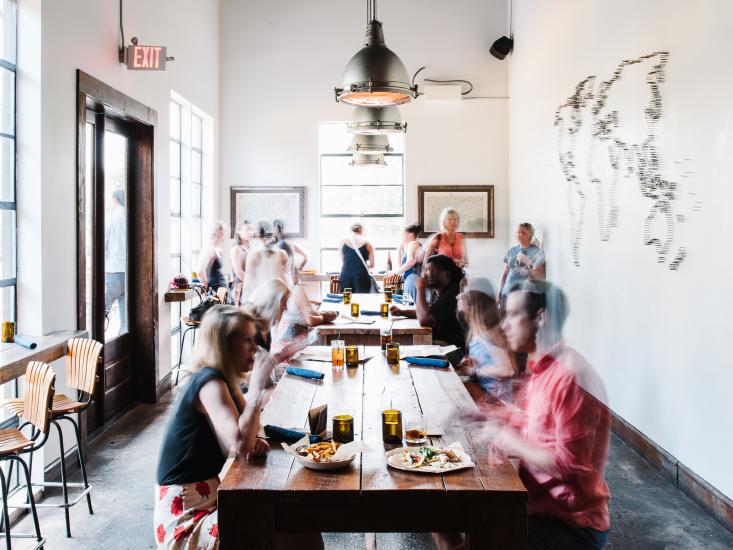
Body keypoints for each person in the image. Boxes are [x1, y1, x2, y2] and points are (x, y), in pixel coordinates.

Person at [154, 307, 323, 550]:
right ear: (224, 345)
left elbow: (252, 431)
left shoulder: (222, 380)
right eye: (247, 340)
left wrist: (256, 437)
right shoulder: (209, 382)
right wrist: (256, 390)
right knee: (290, 524)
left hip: (210, 499)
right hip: (186, 517)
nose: (254, 347)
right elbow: (240, 444)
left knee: (296, 519)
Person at [477, 280, 610, 549]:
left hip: (571, 526)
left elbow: (567, 467)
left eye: (512, 314)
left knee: (477, 533)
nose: (504, 325)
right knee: (465, 519)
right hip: (541, 510)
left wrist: (509, 440)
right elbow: (534, 423)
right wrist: (497, 418)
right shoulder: (543, 367)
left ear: (541, 317)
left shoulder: (570, 377)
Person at [456, 277, 515, 402]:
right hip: (485, 391)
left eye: (463, 293)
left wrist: (478, 371)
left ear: (475, 301)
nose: (458, 297)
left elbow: (507, 370)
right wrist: (473, 363)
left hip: (496, 400)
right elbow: (489, 361)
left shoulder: (489, 333)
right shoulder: (476, 331)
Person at [389, 254, 466, 349]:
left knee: (405, 346)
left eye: (429, 269)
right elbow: (429, 312)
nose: (425, 274)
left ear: (445, 274)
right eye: (425, 270)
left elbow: (425, 319)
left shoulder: (453, 294)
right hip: (441, 342)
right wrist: (401, 312)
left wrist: (420, 288)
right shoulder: (443, 290)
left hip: (452, 348)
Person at [497, 223, 546, 308]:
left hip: (524, 297)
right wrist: (499, 293)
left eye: (521, 232)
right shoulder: (511, 251)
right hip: (507, 294)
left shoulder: (537, 252)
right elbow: (505, 274)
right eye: (517, 232)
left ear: (529, 234)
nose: (517, 234)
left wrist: (528, 262)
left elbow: (541, 276)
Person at [241, 223, 289, 302]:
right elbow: (286, 279)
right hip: (278, 298)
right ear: (273, 235)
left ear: (259, 236)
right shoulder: (283, 254)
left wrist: (245, 302)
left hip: (260, 299)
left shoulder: (253, 255)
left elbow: (247, 283)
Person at [245, 279, 291, 351]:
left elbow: (263, 355)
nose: (286, 308)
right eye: (284, 302)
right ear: (272, 303)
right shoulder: (249, 328)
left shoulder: (265, 324)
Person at [105, 189, 127, 333]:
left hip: (113, 270)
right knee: (126, 319)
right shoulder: (131, 219)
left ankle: (93, 342)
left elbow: (103, 246)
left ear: (115, 200)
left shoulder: (111, 220)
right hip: (128, 272)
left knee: (101, 311)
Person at [338, 223, 375, 293]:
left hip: (345, 275)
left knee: (346, 298)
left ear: (351, 230)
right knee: (362, 299)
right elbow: (372, 264)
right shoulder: (367, 243)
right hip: (362, 276)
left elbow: (343, 260)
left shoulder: (343, 242)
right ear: (362, 230)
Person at [390, 223, 423, 302]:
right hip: (408, 279)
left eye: (403, 234)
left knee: (412, 305)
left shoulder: (413, 243)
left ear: (410, 234)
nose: (402, 237)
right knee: (408, 304)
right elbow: (402, 267)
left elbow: (411, 262)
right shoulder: (409, 246)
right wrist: (399, 251)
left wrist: (394, 274)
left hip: (413, 279)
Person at [197, 221, 229, 293]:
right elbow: (200, 272)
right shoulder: (210, 249)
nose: (224, 234)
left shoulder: (217, 248)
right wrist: (206, 290)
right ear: (216, 232)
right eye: (222, 232)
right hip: (215, 288)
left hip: (221, 287)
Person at [229, 220, 254, 305]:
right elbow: (239, 273)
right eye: (247, 229)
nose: (251, 232)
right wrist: (254, 284)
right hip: (240, 290)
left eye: (252, 229)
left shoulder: (250, 249)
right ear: (239, 231)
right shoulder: (236, 249)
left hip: (250, 287)